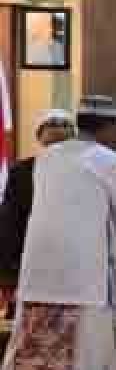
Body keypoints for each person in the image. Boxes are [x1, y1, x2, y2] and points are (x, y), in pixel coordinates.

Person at [0, 96, 116, 370]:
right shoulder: (112, 162)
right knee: (87, 354)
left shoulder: (46, 159)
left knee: (25, 352)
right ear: (110, 127)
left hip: (40, 270)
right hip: (83, 273)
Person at [0, 109, 75, 297]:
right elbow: (10, 222)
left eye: (64, 124)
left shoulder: (85, 170)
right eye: (52, 124)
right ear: (39, 136)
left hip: (73, 262)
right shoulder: (21, 172)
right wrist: (9, 272)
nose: (58, 128)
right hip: (32, 259)